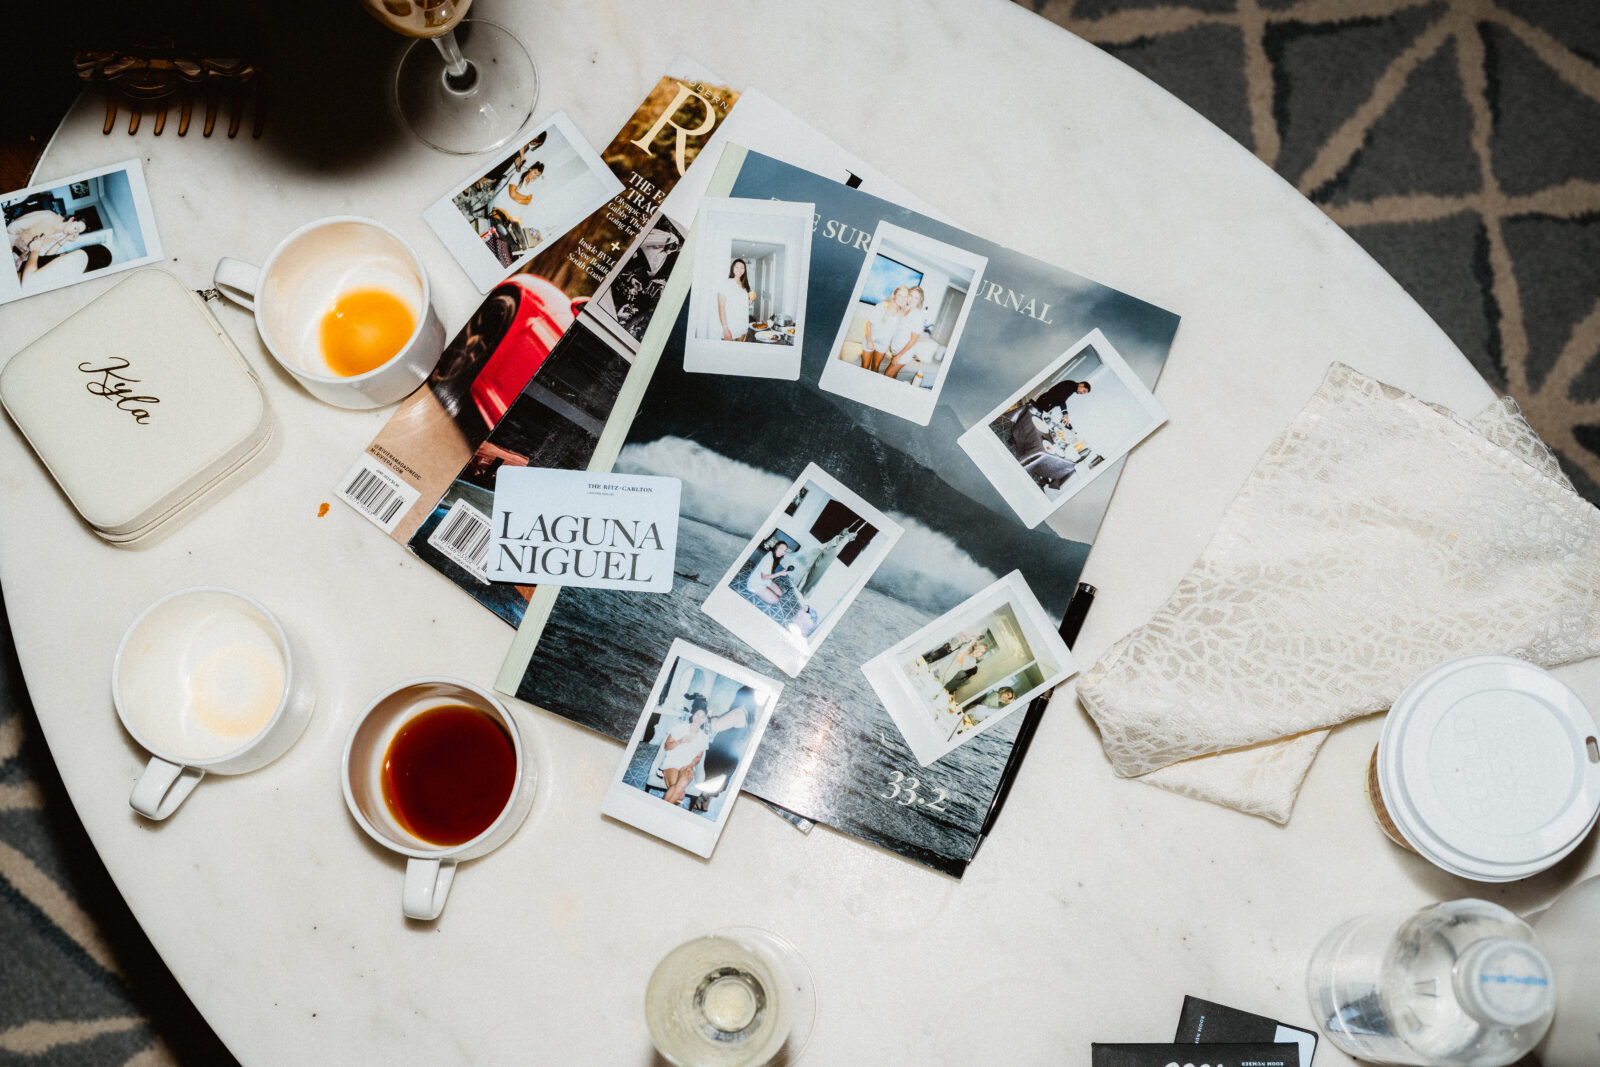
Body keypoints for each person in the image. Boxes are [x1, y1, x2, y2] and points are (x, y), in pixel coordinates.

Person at [659, 707, 711, 807]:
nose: (698, 718)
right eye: (697, 714)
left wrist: (690, 765)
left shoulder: (704, 738)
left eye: (702, 717)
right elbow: (666, 747)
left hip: (687, 766)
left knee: (678, 789)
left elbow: (698, 757)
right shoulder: (680, 728)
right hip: (671, 763)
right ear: (693, 715)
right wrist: (680, 741)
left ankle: (658, 810)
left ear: (704, 720)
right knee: (679, 796)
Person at [881, 285, 932, 380]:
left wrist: (899, 355)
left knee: (887, 375)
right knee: (893, 375)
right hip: (897, 349)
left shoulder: (918, 316)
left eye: (916, 298)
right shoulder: (906, 309)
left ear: (920, 301)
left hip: (904, 353)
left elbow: (913, 340)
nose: (912, 299)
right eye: (911, 296)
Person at [860, 285, 908, 373]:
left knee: (875, 367)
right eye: (900, 295)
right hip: (870, 340)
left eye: (905, 297)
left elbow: (897, 335)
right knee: (865, 367)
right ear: (894, 295)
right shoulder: (882, 306)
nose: (902, 299)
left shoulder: (901, 314)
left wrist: (896, 352)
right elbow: (867, 324)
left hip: (883, 345)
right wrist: (869, 341)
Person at [743, 539, 792, 605]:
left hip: (765, 580)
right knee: (776, 600)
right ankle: (756, 591)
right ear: (776, 547)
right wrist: (780, 573)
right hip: (756, 583)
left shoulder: (775, 557)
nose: (783, 552)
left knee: (780, 593)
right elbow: (764, 577)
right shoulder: (769, 557)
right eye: (781, 548)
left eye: (784, 550)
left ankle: (766, 591)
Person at [717, 258, 755, 340]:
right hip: (730, 324)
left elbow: (748, 299)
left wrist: (751, 299)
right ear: (732, 268)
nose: (740, 270)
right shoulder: (726, 283)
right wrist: (725, 328)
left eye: (742, 268)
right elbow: (721, 307)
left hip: (743, 322)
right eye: (737, 267)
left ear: (744, 270)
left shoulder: (745, 285)